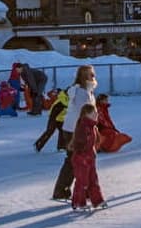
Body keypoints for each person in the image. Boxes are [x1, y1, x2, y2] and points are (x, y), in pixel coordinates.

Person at [53, 65, 98, 200]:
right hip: (76, 130)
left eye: (93, 74)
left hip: (76, 129)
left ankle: (70, 190)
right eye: (90, 74)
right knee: (78, 161)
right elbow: (82, 114)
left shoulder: (86, 91)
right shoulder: (81, 93)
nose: (93, 76)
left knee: (80, 160)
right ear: (83, 77)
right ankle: (65, 190)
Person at [68, 102, 106, 211]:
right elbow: (79, 142)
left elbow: (95, 141)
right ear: (86, 114)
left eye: (96, 112)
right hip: (81, 159)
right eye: (93, 113)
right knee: (82, 181)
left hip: (90, 158)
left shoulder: (92, 126)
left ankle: (97, 201)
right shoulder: (83, 126)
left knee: (93, 180)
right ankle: (78, 202)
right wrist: (82, 152)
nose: (96, 114)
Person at [34, 86, 70, 153]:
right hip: (53, 117)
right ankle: (38, 144)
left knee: (62, 131)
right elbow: (64, 105)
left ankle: (61, 147)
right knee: (50, 131)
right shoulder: (62, 99)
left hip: (61, 118)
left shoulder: (68, 99)